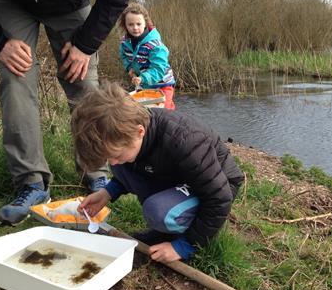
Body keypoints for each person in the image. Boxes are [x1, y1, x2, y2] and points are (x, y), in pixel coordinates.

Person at [0, 0, 134, 225]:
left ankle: (97, 172)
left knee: (84, 83)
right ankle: (32, 183)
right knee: (15, 81)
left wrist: (85, 45)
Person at [72, 82, 243, 263]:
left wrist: (185, 246)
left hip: (219, 184)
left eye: (117, 155)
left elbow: (219, 198)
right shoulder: (131, 138)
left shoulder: (184, 140)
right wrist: (107, 192)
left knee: (158, 211)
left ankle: (184, 233)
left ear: (140, 132)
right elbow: (131, 168)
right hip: (177, 176)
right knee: (122, 162)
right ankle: (168, 230)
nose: (112, 163)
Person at [119, 3, 176, 110]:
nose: (135, 28)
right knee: (144, 112)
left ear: (145, 23)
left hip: (163, 84)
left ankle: (171, 110)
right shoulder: (124, 43)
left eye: (138, 24)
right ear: (125, 25)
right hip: (144, 85)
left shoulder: (155, 45)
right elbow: (124, 56)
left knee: (164, 112)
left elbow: (158, 69)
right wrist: (129, 68)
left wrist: (142, 78)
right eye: (130, 24)